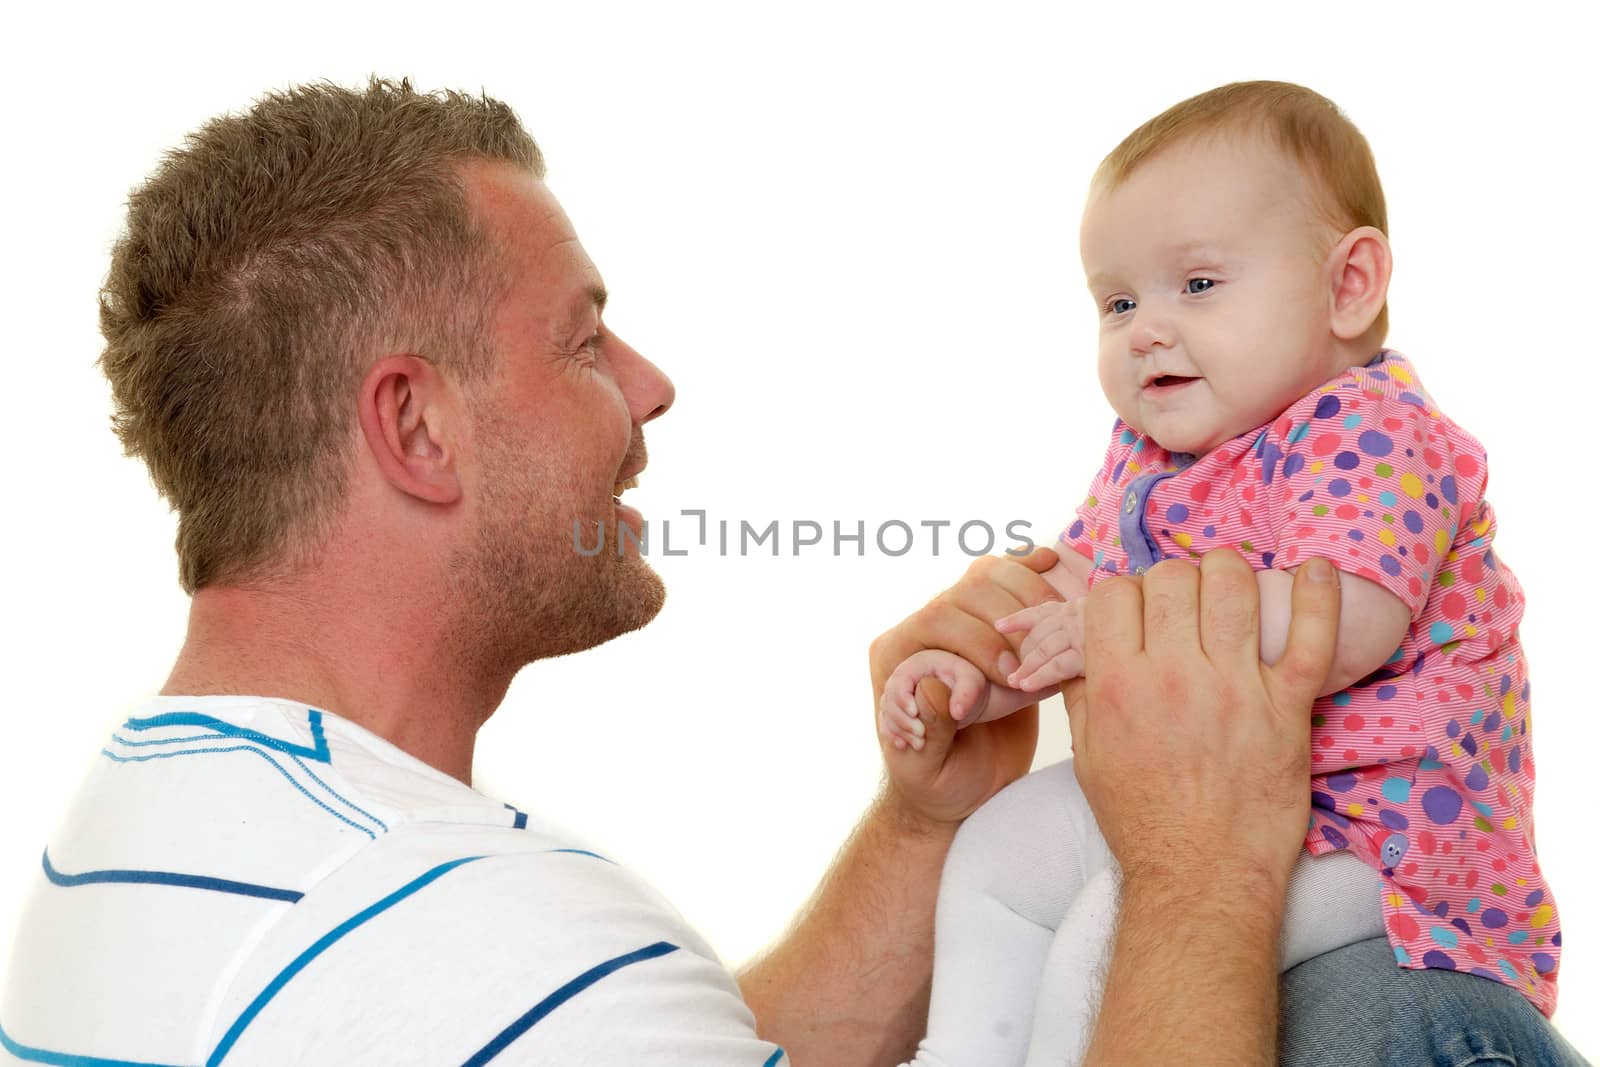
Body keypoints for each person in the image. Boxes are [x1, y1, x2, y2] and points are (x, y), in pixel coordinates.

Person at [0, 78, 1578, 1067]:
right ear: (414, 424)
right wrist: (1193, 880)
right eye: (582, 335)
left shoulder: (201, 812)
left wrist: (928, 817)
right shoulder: (445, 931)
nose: (655, 380)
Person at [881, 81, 1572, 1066]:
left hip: (1374, 842)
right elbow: (1065, 597)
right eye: (1116, 300)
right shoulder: (1147, 452)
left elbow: (1354, 619)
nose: (1146, 328)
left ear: (1348, 286)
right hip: (1187, 798)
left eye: (1197, 284)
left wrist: (1111, 626)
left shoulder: (1363, 424)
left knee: (1106, 934)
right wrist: (975, 677)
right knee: (996, 851)